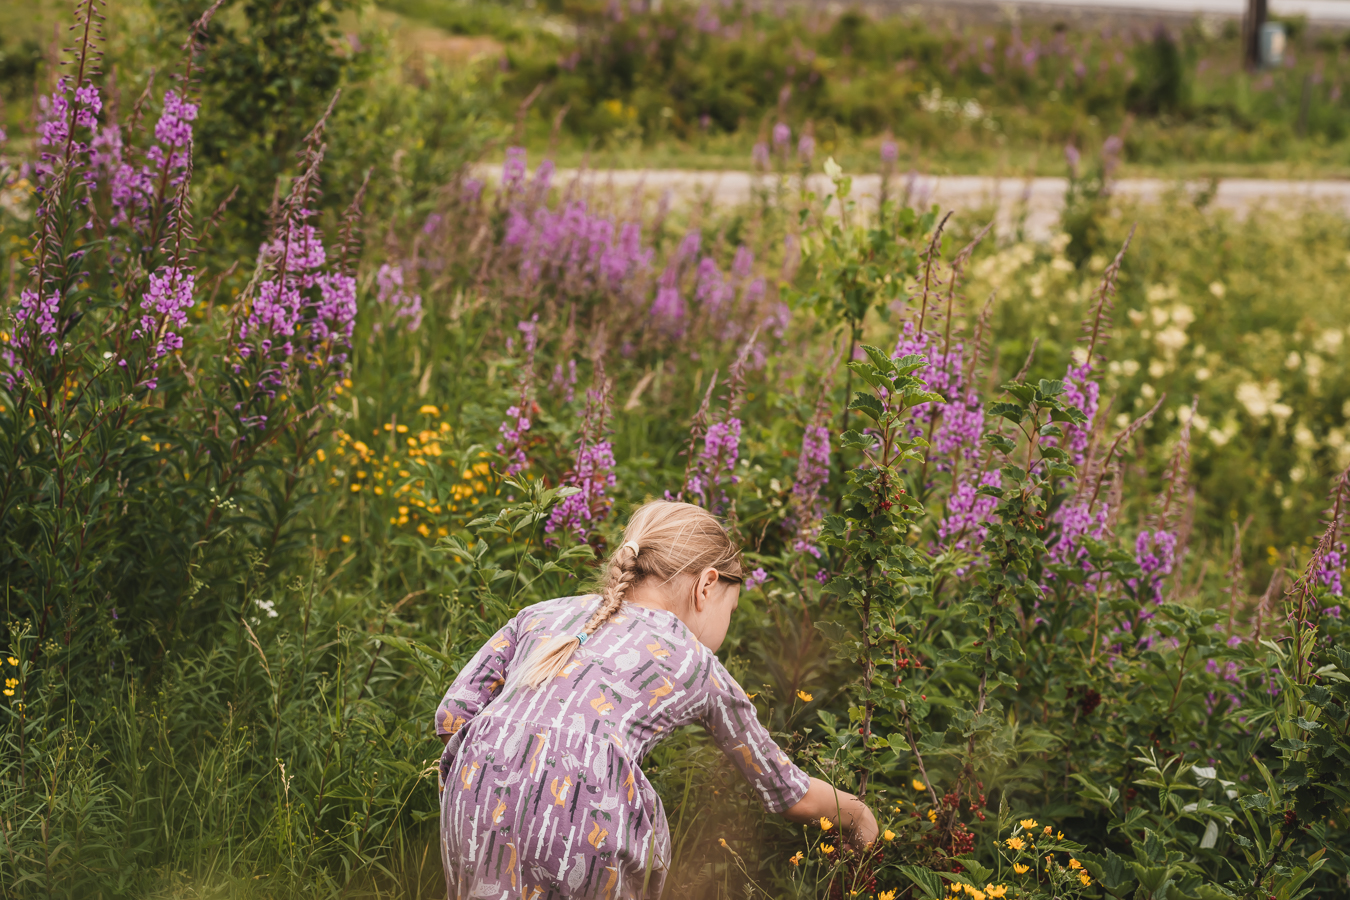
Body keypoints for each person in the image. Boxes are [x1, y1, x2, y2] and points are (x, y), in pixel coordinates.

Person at [434, 499, 878, 899]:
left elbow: (453, 716)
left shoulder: (540, 615)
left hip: (476, 787)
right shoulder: (695, 661)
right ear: (706, 586)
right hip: (586, 805)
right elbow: (785, 791)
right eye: (731, 609)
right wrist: (856, 814)